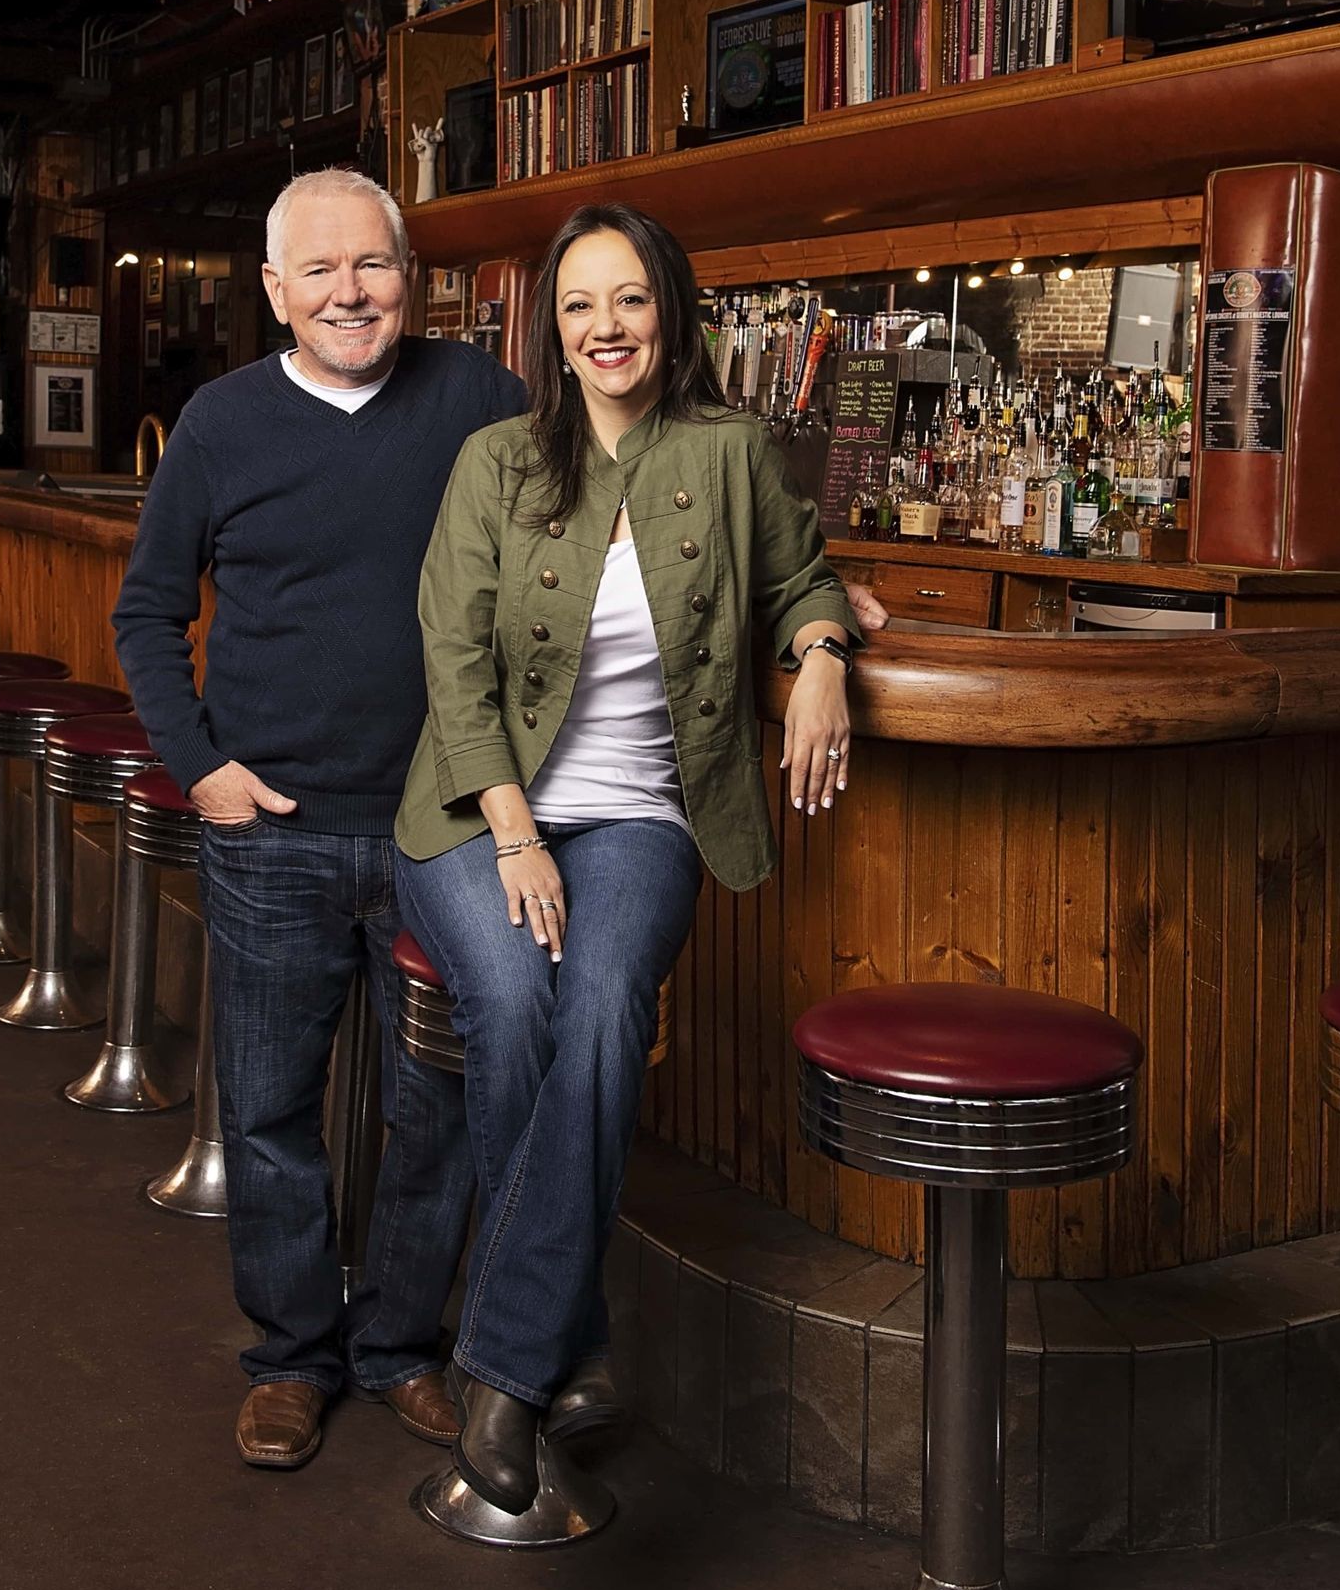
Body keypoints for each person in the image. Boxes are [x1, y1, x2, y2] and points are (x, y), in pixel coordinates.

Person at [393, 203, 868, 1517]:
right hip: (476, 812)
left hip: (649, 820)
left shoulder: (729, 452)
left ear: (673, 313)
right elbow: (450, 659)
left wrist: (823, 659)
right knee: (514, 1000)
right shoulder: (495, 461)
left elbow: (803, 583)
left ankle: (502, 1362)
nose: (607, 329)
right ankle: (559, 1339)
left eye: (631, 301)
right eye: (581, 306)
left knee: (603, 1007)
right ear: (553, 328)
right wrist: (515, 833)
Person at [112, 168, 525, 1474]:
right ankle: (292, 1357)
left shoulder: (482, 399)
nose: (351, 293)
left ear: (411, 276)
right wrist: (202, 769)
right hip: (271, 831)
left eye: (376, 266)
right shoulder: (221, 425)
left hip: (439, 836)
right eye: (321, 272)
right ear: (276, 291)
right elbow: (145, 616)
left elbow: (618, 520)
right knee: (273, 1107)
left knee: (437, 1109)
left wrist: (805, 598)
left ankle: (399, 1346)